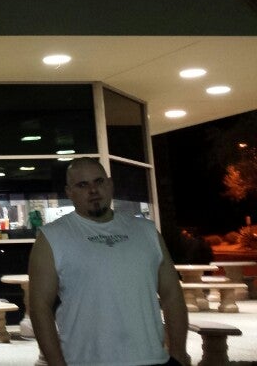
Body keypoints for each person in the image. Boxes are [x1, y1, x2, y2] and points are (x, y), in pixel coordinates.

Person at [28, 157, 190, 366]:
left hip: (151, 359)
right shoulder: (52, 237)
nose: (93, 190)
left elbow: (172, 294)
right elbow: (39, 307)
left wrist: (178, 353)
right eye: (82, 185)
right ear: (69, 192)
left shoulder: (146, 232)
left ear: (110, 184)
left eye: (99, 181)